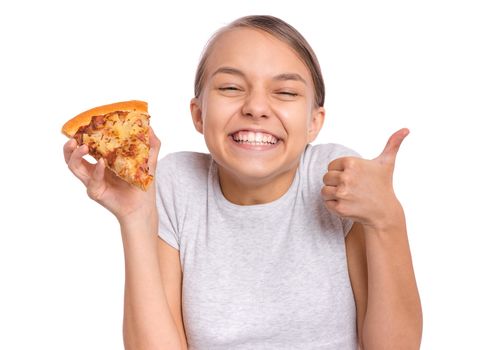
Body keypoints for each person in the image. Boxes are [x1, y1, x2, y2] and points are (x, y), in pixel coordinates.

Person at [63, 15, 422, 350]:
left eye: (285, 92)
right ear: (199, 115)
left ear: (314, 122)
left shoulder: (337, 176)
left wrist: (387, 218)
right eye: (232, 87)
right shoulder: (174, 184)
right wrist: (135, 218)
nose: (256, 107)